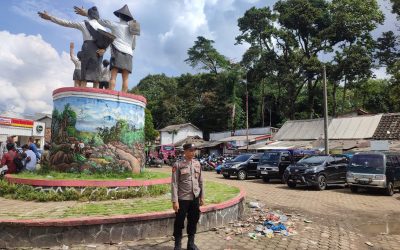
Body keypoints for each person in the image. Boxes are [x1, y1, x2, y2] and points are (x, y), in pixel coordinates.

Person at [38, 7, 114, 88]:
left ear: (89, 15)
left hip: (87, 49)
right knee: (96, 79)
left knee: (84, 78)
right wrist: (104, 50)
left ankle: (82, 96)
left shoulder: (84, 24)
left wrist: (50, 18)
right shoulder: (103, 28)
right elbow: (108, 41)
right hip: (99, 52)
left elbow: (67, 23)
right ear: (97, 16)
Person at [74, 5, 140, 92]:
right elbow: (133, 46)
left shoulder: (115, 25)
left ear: (119, 16)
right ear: (128, 18)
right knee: (125, 78)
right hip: (129, 54)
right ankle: (124, 95)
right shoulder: (133, 31)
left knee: (113, 75)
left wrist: (87, 13)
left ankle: (112, 93)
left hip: (118, 51)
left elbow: (100, 21)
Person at [171, 143, 204, 250]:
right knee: (179, 222)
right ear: (184, 151)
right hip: (182, 199)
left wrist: (202, 197)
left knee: (193, 220)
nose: (192, 152)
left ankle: (191, 244)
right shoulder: (178, 164)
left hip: (194, 198)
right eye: (190, 150)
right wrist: (175, 201)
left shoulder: (197, 164)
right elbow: (174, 184)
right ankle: (177, 245)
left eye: (194, 150)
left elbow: (201, 182)